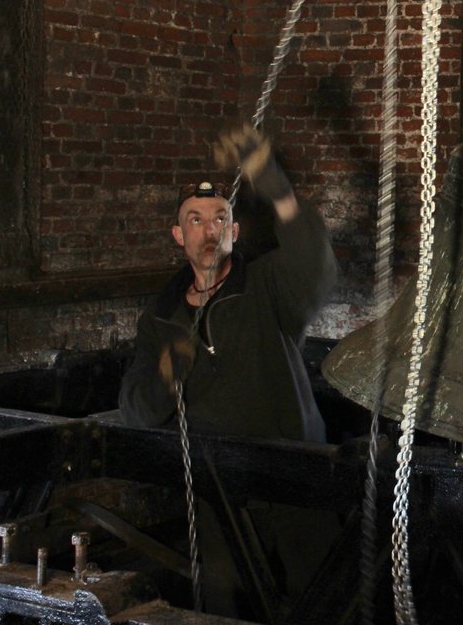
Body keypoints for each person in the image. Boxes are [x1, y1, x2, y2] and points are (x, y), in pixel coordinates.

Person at [119, 125, 338, 618]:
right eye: (195, 220)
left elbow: (316, 266)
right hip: (218, 495)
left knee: (323, 598)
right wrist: (166, 370)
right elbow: (134, 409)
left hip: (294, 481)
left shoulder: (265, 286)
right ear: (179, 236)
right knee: (225, 606)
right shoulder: (161, 316)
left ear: (234, 232)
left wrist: (272, 181)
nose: (208, 229)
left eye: (220, 218)